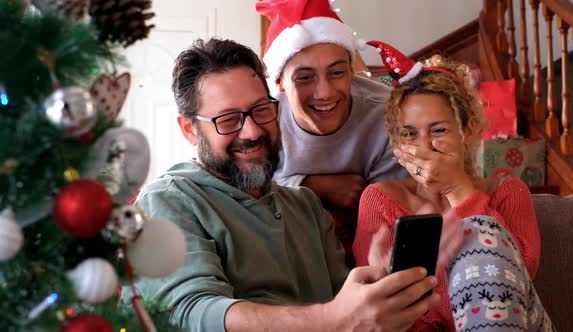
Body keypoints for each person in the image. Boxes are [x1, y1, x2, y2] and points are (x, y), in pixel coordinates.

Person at [131, 37, 439, 332]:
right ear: (190, 130)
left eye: (261, 110)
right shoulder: (167, 201)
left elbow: (347, 309)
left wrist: (381, 289)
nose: (252, 131)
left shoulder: (307, 207)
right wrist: (330, 320)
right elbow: (187, 314)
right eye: (227, 119)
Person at [353, 41, 554, 331]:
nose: (424, 146)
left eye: (439, 130)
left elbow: (517, 278)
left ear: (468, 132)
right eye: (409, 134)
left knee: (482, 232)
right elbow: (382, 311)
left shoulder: (509, 192)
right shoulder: (379, 200)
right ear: (396, 143)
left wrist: (456, 189)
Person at [256, 0, 407, 257]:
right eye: (304, 77)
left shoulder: (389, 113)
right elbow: (247, 192)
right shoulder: (264, 120)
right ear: (280, 84)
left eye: (337, 73)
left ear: (352, 72)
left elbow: (397, 204)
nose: (324, 93)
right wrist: (311, 185)